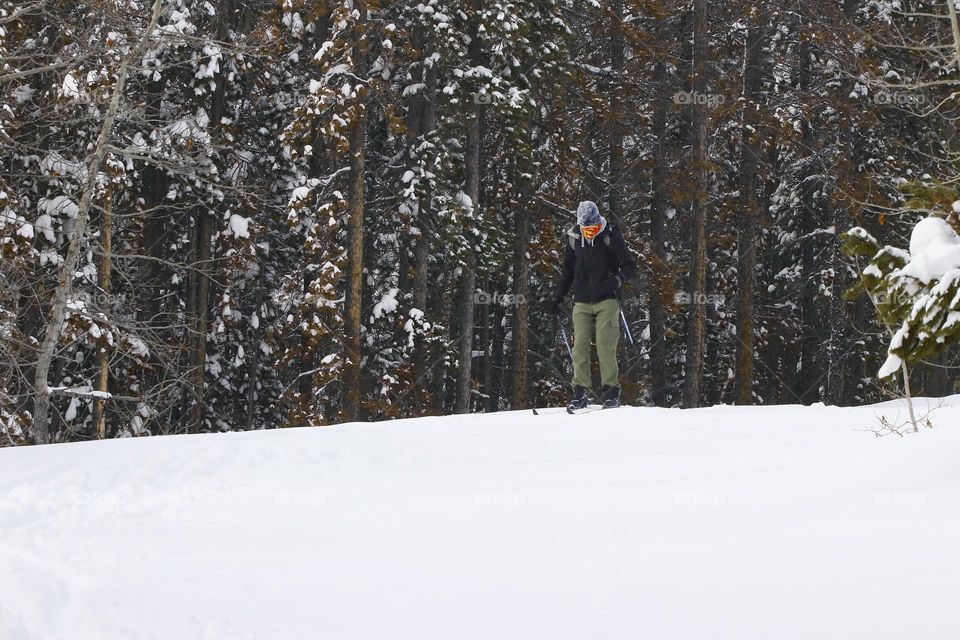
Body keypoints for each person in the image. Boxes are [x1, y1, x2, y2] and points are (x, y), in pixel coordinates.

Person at [548, 201, 638, 410]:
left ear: (598, 221)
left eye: (593, 227)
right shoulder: (573, 240)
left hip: (607, 299)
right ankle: (580, 392)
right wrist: (557, 298)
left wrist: (617, 280)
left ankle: (611, 392)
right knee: (579, 347)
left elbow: (629, 266)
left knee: (605, 346)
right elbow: (568, 272)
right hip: (581, 301)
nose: (589, 231)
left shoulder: (610, 235)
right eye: (586, 228)